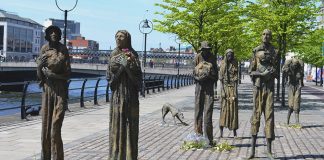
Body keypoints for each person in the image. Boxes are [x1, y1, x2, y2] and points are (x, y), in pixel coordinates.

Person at [37, 25, 71, 160]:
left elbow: (68, 74)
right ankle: (45, 157)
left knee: (55, 128)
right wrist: (39, 67)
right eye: (51, 32)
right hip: (47, 91)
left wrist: (54, 76)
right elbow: (40, 76)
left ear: (59, 35)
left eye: (56, 32)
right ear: (47, 35)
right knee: (45, 129)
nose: (53, 34)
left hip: (60, 91)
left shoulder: (63, 49)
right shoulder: (44, 49)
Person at [107, 30, 142, 160]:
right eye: (116, 36)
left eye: (121, 36)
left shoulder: (133, 54)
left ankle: (130, 156)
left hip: (130, 95)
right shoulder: (114, 54)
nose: (118, 38)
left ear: (127, 38)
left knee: (131, 127)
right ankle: (116, 156)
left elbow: (138, 79)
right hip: (118, 95)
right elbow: (110, 78)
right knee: (116, 126)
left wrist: (128, 67)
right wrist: (123, 67)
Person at [248, 29, 278, 159]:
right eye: (264, 34)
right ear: (261, 36)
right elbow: (251, 71)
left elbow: (277, 73)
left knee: (269, 116)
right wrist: (261, 74)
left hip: (270, 88)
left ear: (271, 37)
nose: (266, 36)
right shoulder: (255, 51)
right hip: (258, 88)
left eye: (268, 35)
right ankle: (252, 151)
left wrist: (272, 72)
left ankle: (269, 151)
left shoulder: (275, 52)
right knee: (256, 115)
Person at [193, 41, 218, 146]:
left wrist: (209, 76)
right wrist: (199, 78)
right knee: (198, 112)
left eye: (208, 50)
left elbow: (216, 76)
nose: (206, 52)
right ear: (201, 50)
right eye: (205, 50)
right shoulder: (197, 57)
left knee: (208, 113)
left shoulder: (212, 58)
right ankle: (198, 137)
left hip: (209, 89)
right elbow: (193, 73)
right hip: (199, 88)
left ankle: (208, 139)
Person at [219, 49, 238, 138]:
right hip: (225, 89)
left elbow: (236, 80)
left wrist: (235, 92)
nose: (230, 57)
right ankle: (221, 132)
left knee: (233, 110)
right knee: (224, 110)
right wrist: (222, 91)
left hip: (232, 89)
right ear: (226, 55)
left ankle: (234, 132)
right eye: (228, 55)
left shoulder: (235, 64)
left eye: (231, 55)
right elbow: (221, 80)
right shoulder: (223, 64)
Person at [282, 57, 304, 124]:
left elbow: (300, 78)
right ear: (291, 64)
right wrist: (285, 82)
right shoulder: (288, 67)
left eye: (296, 65)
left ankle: (297, 121)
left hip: (297, 86)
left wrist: (300, 85)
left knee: (296, 103)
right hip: (291, 86)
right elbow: (284, 75)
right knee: (290, 104)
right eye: (294, 65)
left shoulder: (299, 68)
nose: (295, 66)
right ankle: (287, 121)